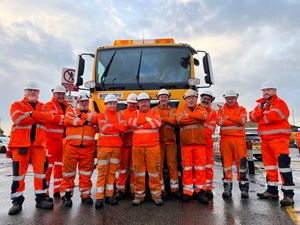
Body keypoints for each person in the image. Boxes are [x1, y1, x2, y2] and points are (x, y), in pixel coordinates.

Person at [8, 81, 55, 215]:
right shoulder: (17, 105)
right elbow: (18, 119)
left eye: (35, 91)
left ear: (38, 93)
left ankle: (41, 199)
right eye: (30, 90)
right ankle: (17, 202)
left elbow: (50, 117)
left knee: (41, 174)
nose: (32, 92)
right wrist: (38, 116)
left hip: (39, 145)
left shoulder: (43, 106)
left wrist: (30, 114)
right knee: (18, 175)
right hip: (20, 145)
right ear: (25, 91)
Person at [249, 81, 295, 206]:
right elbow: (252, 117)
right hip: (265, 140)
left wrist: (261, 117)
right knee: (270, 167)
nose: (265, 92)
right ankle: (272, 191)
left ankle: (288, 195)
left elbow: (274, 116)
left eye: (268, 90)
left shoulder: (280, 103)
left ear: (275, 91)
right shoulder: (261, 105)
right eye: (264, 90)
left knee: (284, 167)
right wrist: (261, 114)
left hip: (279, 140)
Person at [60, 91, 98, 207]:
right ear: (78, 101)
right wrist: (87, 122)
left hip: (87, 148)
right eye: (82, 101)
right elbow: (68, 120)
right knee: (68, 173)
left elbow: (95, 119)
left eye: (86, 101)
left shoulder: (94, 114)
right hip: (71, 147)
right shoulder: (70, 111)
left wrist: (81, 118)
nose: (84, 103)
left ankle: (85, 195)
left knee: (86, 173)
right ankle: (66, 195)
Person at [128, 92, 163, 206]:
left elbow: (157, 124)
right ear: (138, 103)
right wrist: (148, 120)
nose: (144, 103)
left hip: (153, 147)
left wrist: (141, 122)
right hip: (137, 147)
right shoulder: (134, 113)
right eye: (142, 102)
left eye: (146, 101)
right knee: (138, 172)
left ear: (149, 102)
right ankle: (139, 195)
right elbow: (131, 123)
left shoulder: (155, 111)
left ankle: (156, 195)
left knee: (154, 172)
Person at [176, 89, 209, 204]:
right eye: (189, 98)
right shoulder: (180, 110)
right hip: (186, 144)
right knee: (187, 168)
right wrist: (195, 118)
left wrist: (189, 116)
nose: (191, 100)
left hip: (200, 143)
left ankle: (200, 191)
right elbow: (179, 120)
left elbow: (204, 117)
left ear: (196, 99)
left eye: (193, 98)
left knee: (200, 168)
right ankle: (188, 191)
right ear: (185, 100)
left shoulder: (202, 109)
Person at [95, 94, 127, 209]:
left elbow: (124, 127)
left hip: (116, 147)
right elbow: (103, 128)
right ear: (106, 104)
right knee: (102, 172)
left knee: (112, 172)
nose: (112, 105)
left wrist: (112, 126)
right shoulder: (102, 115)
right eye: (110, 103)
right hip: (104, 147)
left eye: (114, 103)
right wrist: (116, 126)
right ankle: (99, 197)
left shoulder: (119, 115)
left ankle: (109, 196)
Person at [216, 90, 249, 199]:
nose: (230, 100)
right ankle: (227, 189)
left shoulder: (242, 109)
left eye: (232, 98)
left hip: (239, 140)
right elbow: (219, 122)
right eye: (228, 98)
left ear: (236, 98)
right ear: (225, 99)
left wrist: (228, 118)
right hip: (225, 140)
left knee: (241, 165)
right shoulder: (221, 110)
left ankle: (244, 189)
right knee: (226, 165)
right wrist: (236, 120)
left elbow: (243, 121)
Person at [44, 85, 71, 201]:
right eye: (58, 93)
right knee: (48, 168)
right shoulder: (48, 105)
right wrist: (64, 119)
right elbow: (51, 118)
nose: (60, 96)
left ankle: (57, 190)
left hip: (63, 141)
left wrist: (61, 119)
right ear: (53, 94)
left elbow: (69, 119)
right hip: (50, 140)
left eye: (62, 94)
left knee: (60, 167)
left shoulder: (68, 106)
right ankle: (44, 193)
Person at [154, 89, 180, 198]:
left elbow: (176, 121)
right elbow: (154, 121)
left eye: (165, 96)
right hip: (158, 141)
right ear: (158, 98)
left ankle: (174, 189)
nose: (163, 98)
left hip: (171, 142)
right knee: (158, 165)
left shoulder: (174, 110)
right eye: (161, 96)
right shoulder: (154, 110)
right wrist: (167, 120)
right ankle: (161, 189)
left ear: (168, 98)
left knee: (172, 165)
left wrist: (162, 119)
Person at [115, 93, 138, 200]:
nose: (132, 105)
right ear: (127, 103)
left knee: (135, 169)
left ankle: (134, 190)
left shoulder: (139, 113)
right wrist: (129, 126)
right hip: (123, 144)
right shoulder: (120, 113)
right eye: (130, 103)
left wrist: (127, 126)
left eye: (134, 103)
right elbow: (118, 126)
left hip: (135, 144)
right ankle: (120, 189)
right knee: (122, 168)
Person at [199, 90, 217, 200]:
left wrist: (199, 135)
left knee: (208, 166)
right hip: (197, 143)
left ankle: (208, 188)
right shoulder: (195, 108)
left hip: (206, 143)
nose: (206, 100)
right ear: (201, 98)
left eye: (208, 99)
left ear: (211, 101)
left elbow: (211, 128)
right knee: (197, 167)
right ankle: (199, 188)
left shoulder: (213, 113)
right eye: (204, 98)